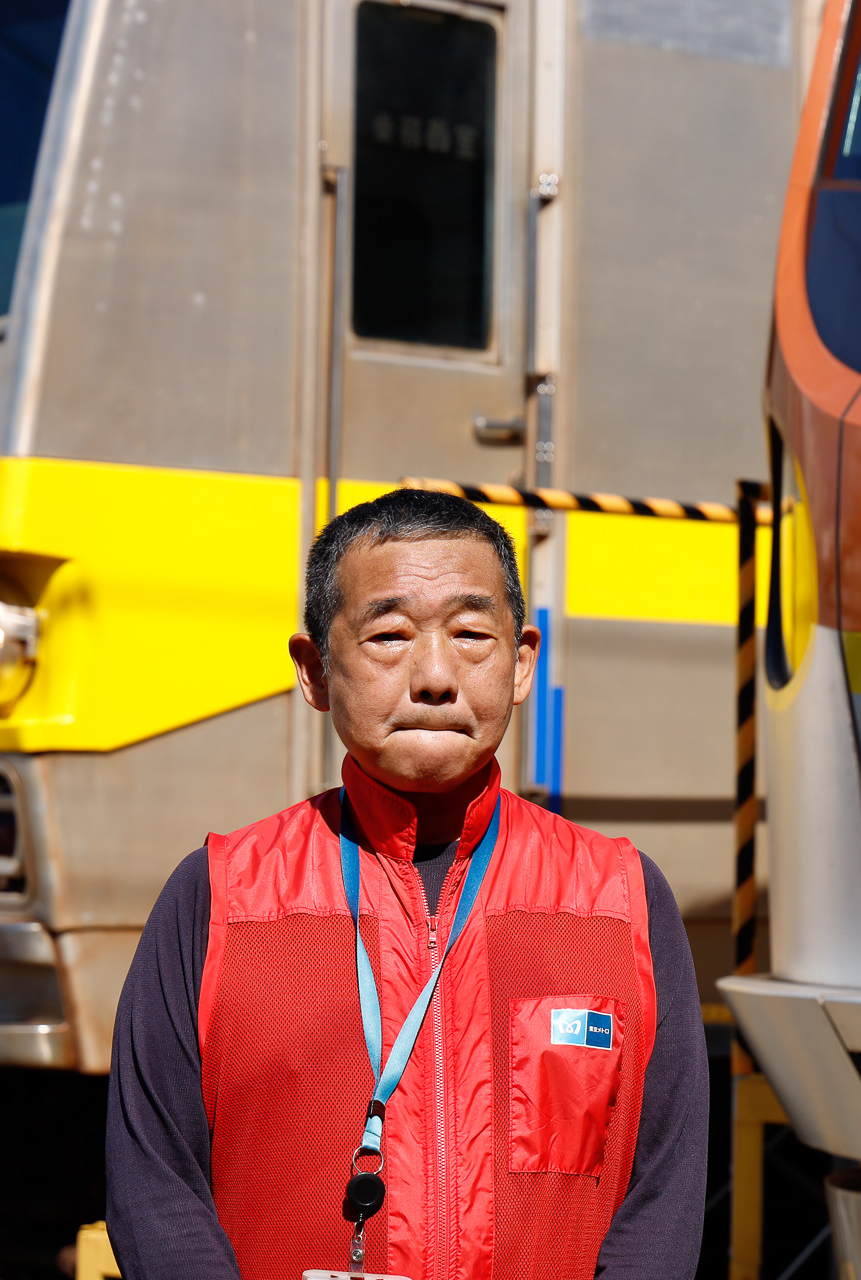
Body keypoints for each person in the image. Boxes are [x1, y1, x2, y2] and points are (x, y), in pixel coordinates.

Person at [104, 489, 707, 1280]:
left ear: (522, 662)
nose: (434, 675)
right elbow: (154, 1184)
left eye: (471, 635)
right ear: (315, 670)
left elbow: (663, 1195)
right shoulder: (218, 897)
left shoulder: (619, 898)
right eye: (389, 635)